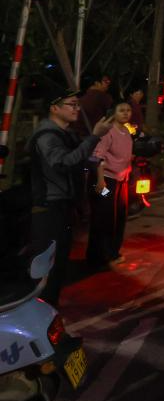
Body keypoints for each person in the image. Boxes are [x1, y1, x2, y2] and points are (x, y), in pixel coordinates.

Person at [28, 87, 112, 306]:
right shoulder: (46, 136)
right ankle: (42, 319)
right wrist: (95, 136)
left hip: (64, 207)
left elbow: (81, 159)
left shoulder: (67, 134)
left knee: (60, 266)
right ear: (54, 108)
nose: (77, 108)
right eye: (71, 104)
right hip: (48, 209)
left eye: (77, 104)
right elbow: (64, 162)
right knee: (48, 270)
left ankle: (50, 315)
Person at [87, 100, 134, 268]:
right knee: (105, 216)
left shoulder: (126, 131)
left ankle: (113, 252)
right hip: (107, 182)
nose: (126, 113)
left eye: (128, 110)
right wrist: (100, 180)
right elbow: (96, 156)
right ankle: (100, 256)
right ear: (113, 113)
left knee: (120, 216)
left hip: (122, 182)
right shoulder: (108, 132)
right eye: (121, 110)